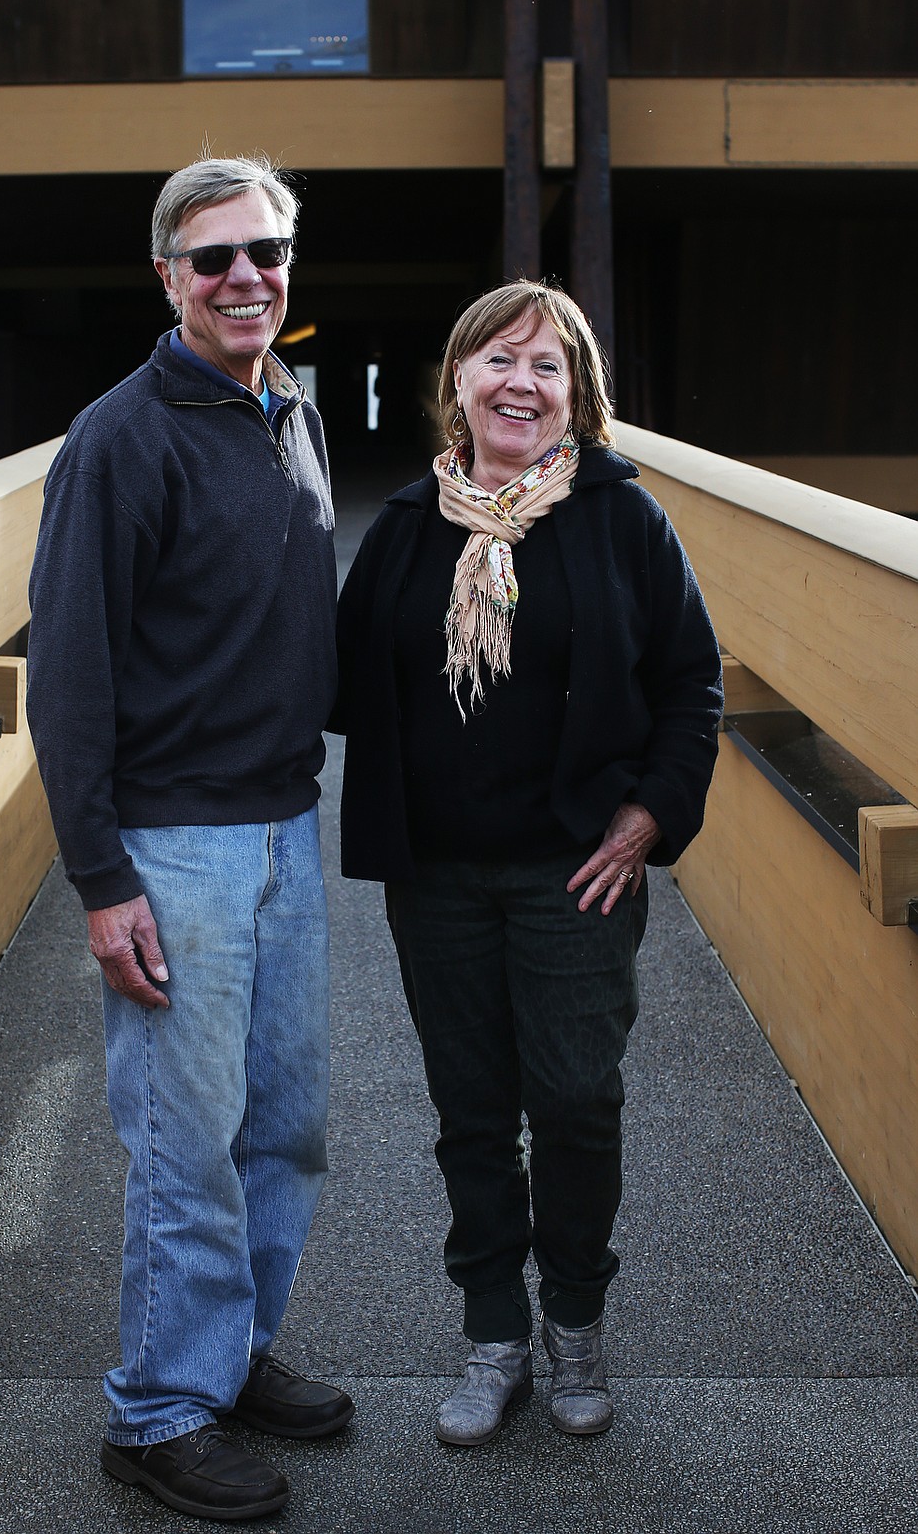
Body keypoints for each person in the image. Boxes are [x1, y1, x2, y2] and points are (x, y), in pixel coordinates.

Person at [333, 279, 722, 1448]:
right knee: (468, 1111)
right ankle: (494, 1333)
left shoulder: (623, 519)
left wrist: (648, 818)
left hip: (577, 871)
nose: (519, 381)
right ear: (457, 381)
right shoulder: (406, 526)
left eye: (546, 366)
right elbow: (338, 681)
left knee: (575, 1101)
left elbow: (690, 688)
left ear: (577, 396)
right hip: (439, 877)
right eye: (498, 359)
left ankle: (580, 1323)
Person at [26, 155, 352, 1522]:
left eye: (263, 252)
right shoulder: (121, 437)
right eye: (211, 257)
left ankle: (229, 1353)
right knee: (185, 1138)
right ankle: (157, 1412)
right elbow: (70, 676)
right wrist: (104, 881)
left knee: (285, 1125)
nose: (243, 277)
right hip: (176, 848)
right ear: (166, 275)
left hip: (285, 828)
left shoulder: (287, 406)